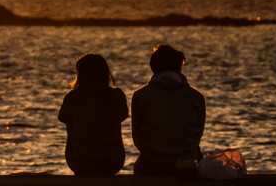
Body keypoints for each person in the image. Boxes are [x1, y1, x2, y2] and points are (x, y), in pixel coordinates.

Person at [131, 44, 206, 178]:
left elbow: (137, 139)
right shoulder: (196, 97)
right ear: (179, 67)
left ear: (152, 67)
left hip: (151, 165)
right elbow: (198, 134)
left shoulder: (140, 96)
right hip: (187, 165)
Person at [57, 53, 128, 175]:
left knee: (71, 122)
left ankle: (82, 151)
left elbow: (62, 117)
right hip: (113, 162)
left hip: (79, 163)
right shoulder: (118, 95)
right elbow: (123, 116)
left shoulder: (72, 98)